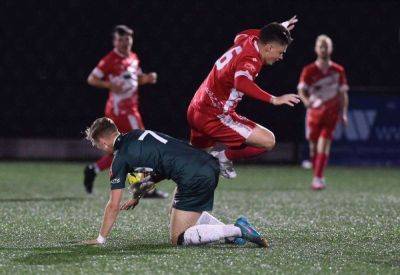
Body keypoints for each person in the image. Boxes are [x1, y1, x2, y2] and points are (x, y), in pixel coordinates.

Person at [82, 117, 268, 247]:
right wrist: (138, 194)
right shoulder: (137, 134)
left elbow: (113, 205)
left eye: (96, 145)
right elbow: (163, 165)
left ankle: (236, 230)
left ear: (103, 142)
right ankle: (232, 235)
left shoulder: (120, 159)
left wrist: (100, 239)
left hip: (193, 176)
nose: (99, 148)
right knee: (175, 211)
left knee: (178, 238)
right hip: (205, 163)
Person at [187, 16, 300, 179]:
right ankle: (223, 158)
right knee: (268, 141)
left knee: (190, 165)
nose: (281, 57)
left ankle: (151, 179)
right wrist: (274, 99)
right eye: (280, 52)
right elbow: (241, 83)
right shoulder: (252, 59)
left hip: (197, 107)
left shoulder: (247, 39)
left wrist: (278, 28)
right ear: (268, 47)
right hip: (215, 116)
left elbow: (245, 34)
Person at [83, 25, 167, 198]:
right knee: (142, 144)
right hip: (121, 111)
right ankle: (140, 187)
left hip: (130, 109)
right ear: (115, 41)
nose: (124, 43)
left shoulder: (134, 58)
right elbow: (92, 78)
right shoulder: (110, 59)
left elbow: (135, 80)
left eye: (127, 39)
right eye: (120, 40)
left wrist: (148, 78)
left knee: (121, 149)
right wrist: (109, 85)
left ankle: (94, 169)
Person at [297, 34, 349, 190]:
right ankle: (317, 174)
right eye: (321, 46)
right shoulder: (309, 70)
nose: (324, 49)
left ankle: (318, 178)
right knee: (313, 148)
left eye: (326, 46)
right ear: (316, 49)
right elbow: (301, 90)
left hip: (331, 113)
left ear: (331, 49)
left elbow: (343, 94)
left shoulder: (338, 70)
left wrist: (344, 113)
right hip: (314, 113)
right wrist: (306, 102)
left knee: (324, 143)